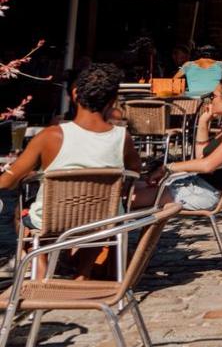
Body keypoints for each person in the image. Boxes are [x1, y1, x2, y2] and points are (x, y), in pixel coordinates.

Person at [1, 63, 139, 231]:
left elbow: (7, 181)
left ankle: (39, 257)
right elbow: (134, 173)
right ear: (112, 101)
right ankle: (81, 257)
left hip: (51, 221)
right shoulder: (122, 137)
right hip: (105, 221)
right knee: (97, 229)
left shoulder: (50, 136)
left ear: (74, 94)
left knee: (21, 212)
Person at [144, 74, 222, 210]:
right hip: (194, 185)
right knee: (133, 187)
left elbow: (207, 166)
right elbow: (201, 157)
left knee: (130, 197)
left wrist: (167, 168)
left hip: (203, 193)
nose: (210, 101)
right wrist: (203, 122)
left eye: (213, 96)